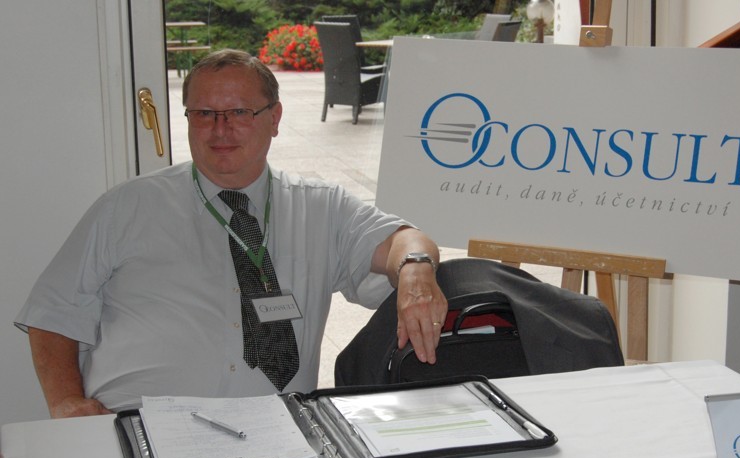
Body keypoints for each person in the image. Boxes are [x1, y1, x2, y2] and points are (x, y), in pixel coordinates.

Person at [15, 49, 447, 419]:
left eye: (239, 113)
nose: (220, 130)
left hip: (274, 434)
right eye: (204, 114)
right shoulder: (127, 207)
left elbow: (403, 240)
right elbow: (53, 311)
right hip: (138, 423)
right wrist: (66, 402)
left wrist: (416, 270)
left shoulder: (321, 207)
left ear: (274, 118)